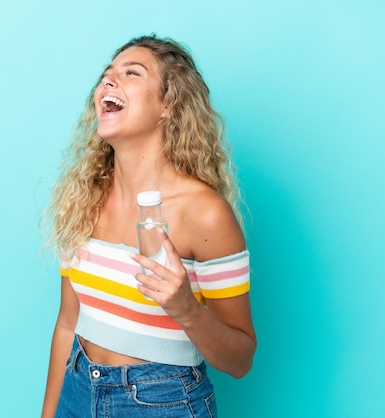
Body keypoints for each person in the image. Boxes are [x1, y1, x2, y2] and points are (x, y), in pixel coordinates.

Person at [41, 34, 256, 417]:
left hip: (161, 402)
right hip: (76, 389)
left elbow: (240, 361)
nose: (108, 81)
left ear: (167, 106)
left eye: (131, 73)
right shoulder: (83, 200)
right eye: (107, 74)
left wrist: (185, 308)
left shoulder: (204, 214)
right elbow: (67, 322)